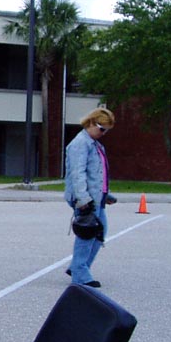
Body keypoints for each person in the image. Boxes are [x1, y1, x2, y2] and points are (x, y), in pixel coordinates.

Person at [64, 107, 116, 288]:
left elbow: (98, 174)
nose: (103, 133)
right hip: (85, 199)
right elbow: (77, 173)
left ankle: (78, 267)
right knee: (87, 234)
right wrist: (83, 199)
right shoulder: (80, 144)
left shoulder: (95, 144)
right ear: (92, 123)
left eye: (106, 130)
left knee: (99, 233)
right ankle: (80, 273)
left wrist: (105, 194)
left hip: (96, 197)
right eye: (102, 129)